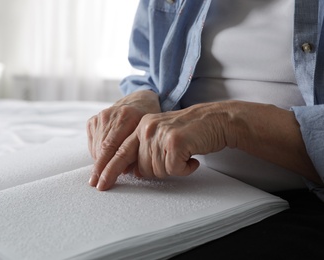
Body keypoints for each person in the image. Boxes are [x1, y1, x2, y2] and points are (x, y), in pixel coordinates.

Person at [87, 0, 324, 201]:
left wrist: (229, 123)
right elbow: (146, 68)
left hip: (294, 200)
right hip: (177, 189)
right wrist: (143, 96)